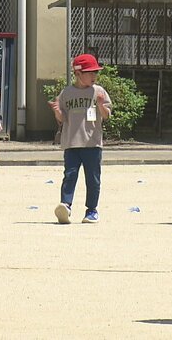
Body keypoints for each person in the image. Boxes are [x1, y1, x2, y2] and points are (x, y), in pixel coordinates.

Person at [49, 53, 112, 225]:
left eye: (95, 73)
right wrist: (57, 111)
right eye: (89, 72)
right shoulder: (66, 93)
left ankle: (92, 210)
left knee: (93, 179)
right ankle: (66, 206)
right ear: (77, 73)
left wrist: (100, 104)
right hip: (71, 142)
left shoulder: (99, 91)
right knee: (70, 175)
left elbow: (107, 115)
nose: (94, 76)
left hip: (92, 143)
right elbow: (62, 118)